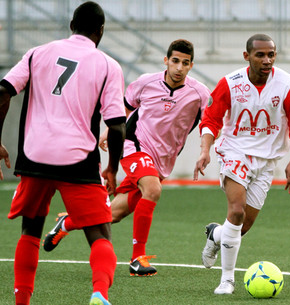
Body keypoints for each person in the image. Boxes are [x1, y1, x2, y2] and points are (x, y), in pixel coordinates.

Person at [43, 39, 211, 276]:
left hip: (163, 160)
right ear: (166, 61)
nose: (179, 68)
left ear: (191, 65)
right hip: (134, 145)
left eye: (185, 63)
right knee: (152, 190)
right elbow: (124, 108)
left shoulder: (199, 93)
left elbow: (209, 123)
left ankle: (67, 223)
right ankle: (137, 259)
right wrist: (109, 132)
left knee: (113, 214)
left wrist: (205, 150)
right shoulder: (145, 82)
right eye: (175, 61)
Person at [0, 2, 126, 305]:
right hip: (78, 161)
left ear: (71, 24)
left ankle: (21, 302)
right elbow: (118, 126)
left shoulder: (37, 53)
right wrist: (112, 168)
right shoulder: (107, 64)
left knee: (30, 231)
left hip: (34, 156)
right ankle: (99, 294)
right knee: (100, 236)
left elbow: (3, 92)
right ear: (100, 31)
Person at [193, 33, 290, 294]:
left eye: (271, 54)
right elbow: (210, 119)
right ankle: (227, 280)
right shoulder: (230, 83)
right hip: (236, 153)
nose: (267, 60)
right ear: (247, 57)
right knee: (236, 211)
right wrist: (205, 150)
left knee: (242, 225)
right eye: (260, 55)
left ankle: (216, 235)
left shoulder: (288, 84)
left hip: (267, 161)